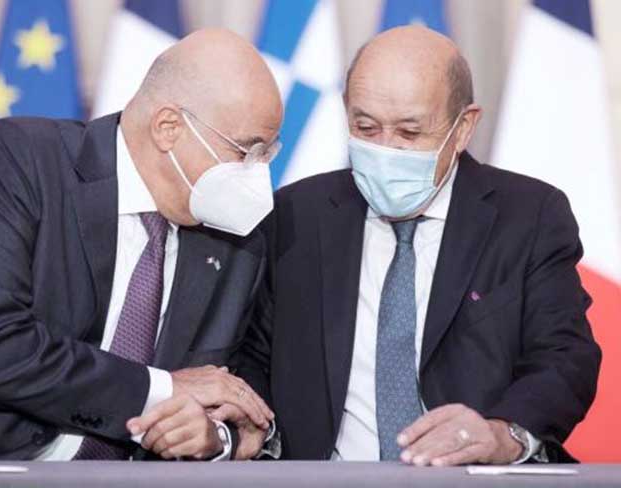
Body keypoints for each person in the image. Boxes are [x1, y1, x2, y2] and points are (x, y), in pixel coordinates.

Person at [0, 28, 283, 461]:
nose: (257, 174)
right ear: (168, 128)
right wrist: (164, 389)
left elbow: (230, 390)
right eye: (246, 151)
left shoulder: (235, 247)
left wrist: (215, 437)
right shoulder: (17, 160)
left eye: (268, 154)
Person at [230, 25, 601, 465]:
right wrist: (259, 433)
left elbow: (564, 357)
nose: (385, 149)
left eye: (409, 133)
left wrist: (505, 434)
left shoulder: (529, 215)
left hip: (472, 476)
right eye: (366, 127)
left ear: (463, 128)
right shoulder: (295, 214)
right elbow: (251, 354)